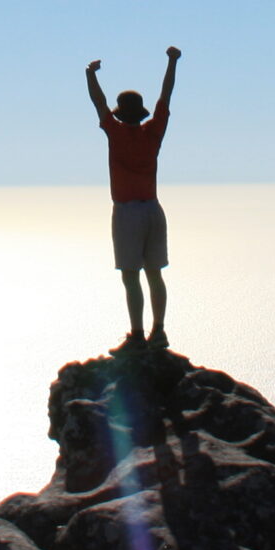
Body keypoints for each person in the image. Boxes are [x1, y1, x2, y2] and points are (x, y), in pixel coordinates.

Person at [86, 46, 179, 345]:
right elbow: (166, 96)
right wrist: (172, 62)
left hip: (126, 212)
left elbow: (98, 102)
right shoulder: (153, 132)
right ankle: (159, 330)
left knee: (130, 276)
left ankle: (137, 334)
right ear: (139, 112)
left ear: (120, 112)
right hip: (153, 209)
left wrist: (90, 75)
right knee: (155, 273)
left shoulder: (115, 131)